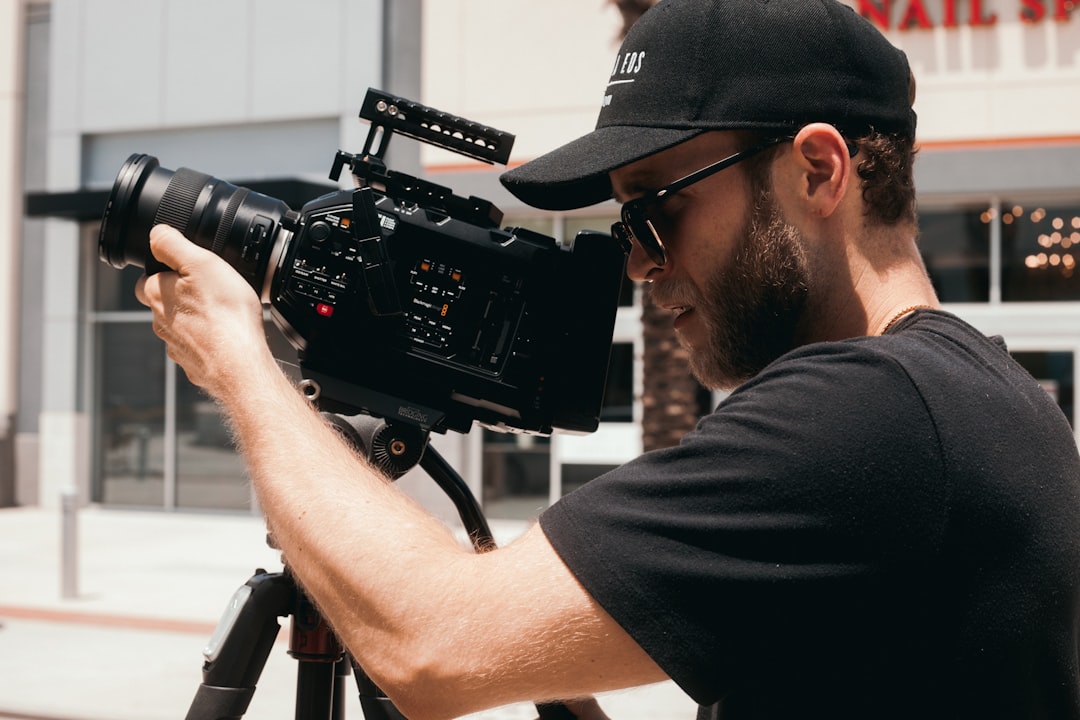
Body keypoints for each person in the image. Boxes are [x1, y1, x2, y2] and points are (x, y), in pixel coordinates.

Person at [135, 1, 1080, 718]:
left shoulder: (868, 415)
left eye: (655, 205)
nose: (633, 257)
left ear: (819, 172)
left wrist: (241, 364)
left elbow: (426, 646)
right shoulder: (985, 393)